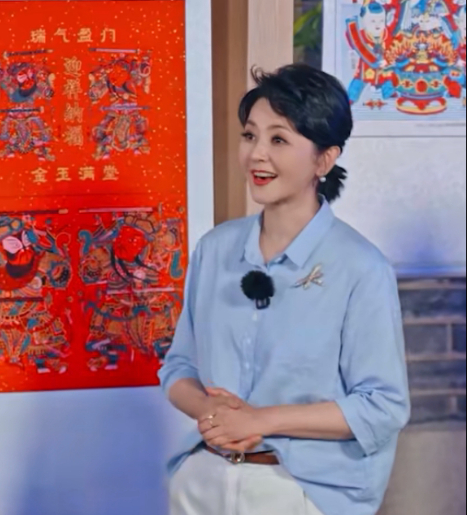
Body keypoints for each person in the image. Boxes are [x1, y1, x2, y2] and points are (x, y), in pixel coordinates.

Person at [159, 64, 410, 515]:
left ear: (324, 160)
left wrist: (260, 421)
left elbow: (382, 407)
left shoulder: (361, 267)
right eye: (249, 135)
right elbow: (178, 366)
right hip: (204, 481)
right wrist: (212, 414)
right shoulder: (215, 249)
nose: (257, 154)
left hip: (301, 491)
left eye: (279, 140)